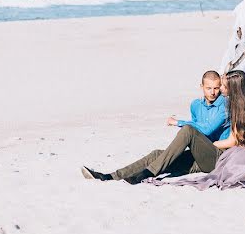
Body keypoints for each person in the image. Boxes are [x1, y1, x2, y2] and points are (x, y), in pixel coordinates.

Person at [81, 70, 230, 184]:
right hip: (198, 156)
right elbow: (198, 129)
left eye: (216, 88)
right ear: (201, 87)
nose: (213, 92)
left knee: (188, 130)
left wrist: (179, 122)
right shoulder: (196, 105)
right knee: (157, 154)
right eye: (208, 88)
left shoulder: (224, 104)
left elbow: (205, 130)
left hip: (217, 158)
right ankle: (110, 176)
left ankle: (147, 173)